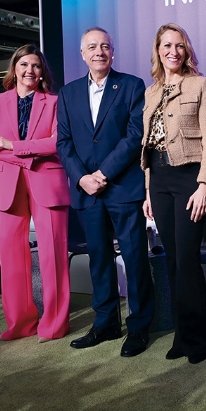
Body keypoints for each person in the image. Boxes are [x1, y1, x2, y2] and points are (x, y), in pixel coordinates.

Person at [56, 27, 154, 357]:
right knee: (99, 260)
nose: (99, 52)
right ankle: (106, 323)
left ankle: (139, 327)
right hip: (87, 192)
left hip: (123, 187)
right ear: (82, 54)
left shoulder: (131, 86)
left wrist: (102, 173)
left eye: (105, 46)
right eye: (92, 47)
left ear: (113, 52)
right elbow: (63, 143)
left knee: (135, 259)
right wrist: (82, 178)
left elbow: (135, 135)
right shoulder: (68, 93)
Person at [0, 44, 71, 343]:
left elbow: (58, 142)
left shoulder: (55, 102)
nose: (30, 70)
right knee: (10, 258)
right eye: (24, 64)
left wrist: (13, 146)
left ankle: (54, 325)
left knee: (53, 255)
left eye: (36, 65)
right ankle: (20, 324)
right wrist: (27, 155)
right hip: (7, 186)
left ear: (42, 71)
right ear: (14, 68)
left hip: (47, 183)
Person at [140, 23, 206, 364]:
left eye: (179, 46)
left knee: (187, 260)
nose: (173, 51)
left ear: (186, 51)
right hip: (158, 180)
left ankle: (197, 339)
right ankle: (181, 335)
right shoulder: (151, 92)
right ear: (158, 51)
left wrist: (205, 185)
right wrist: (147, 192)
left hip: (189, 178)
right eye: (167, 46)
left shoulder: (200, 84)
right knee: (172, 260)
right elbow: (147, 145)